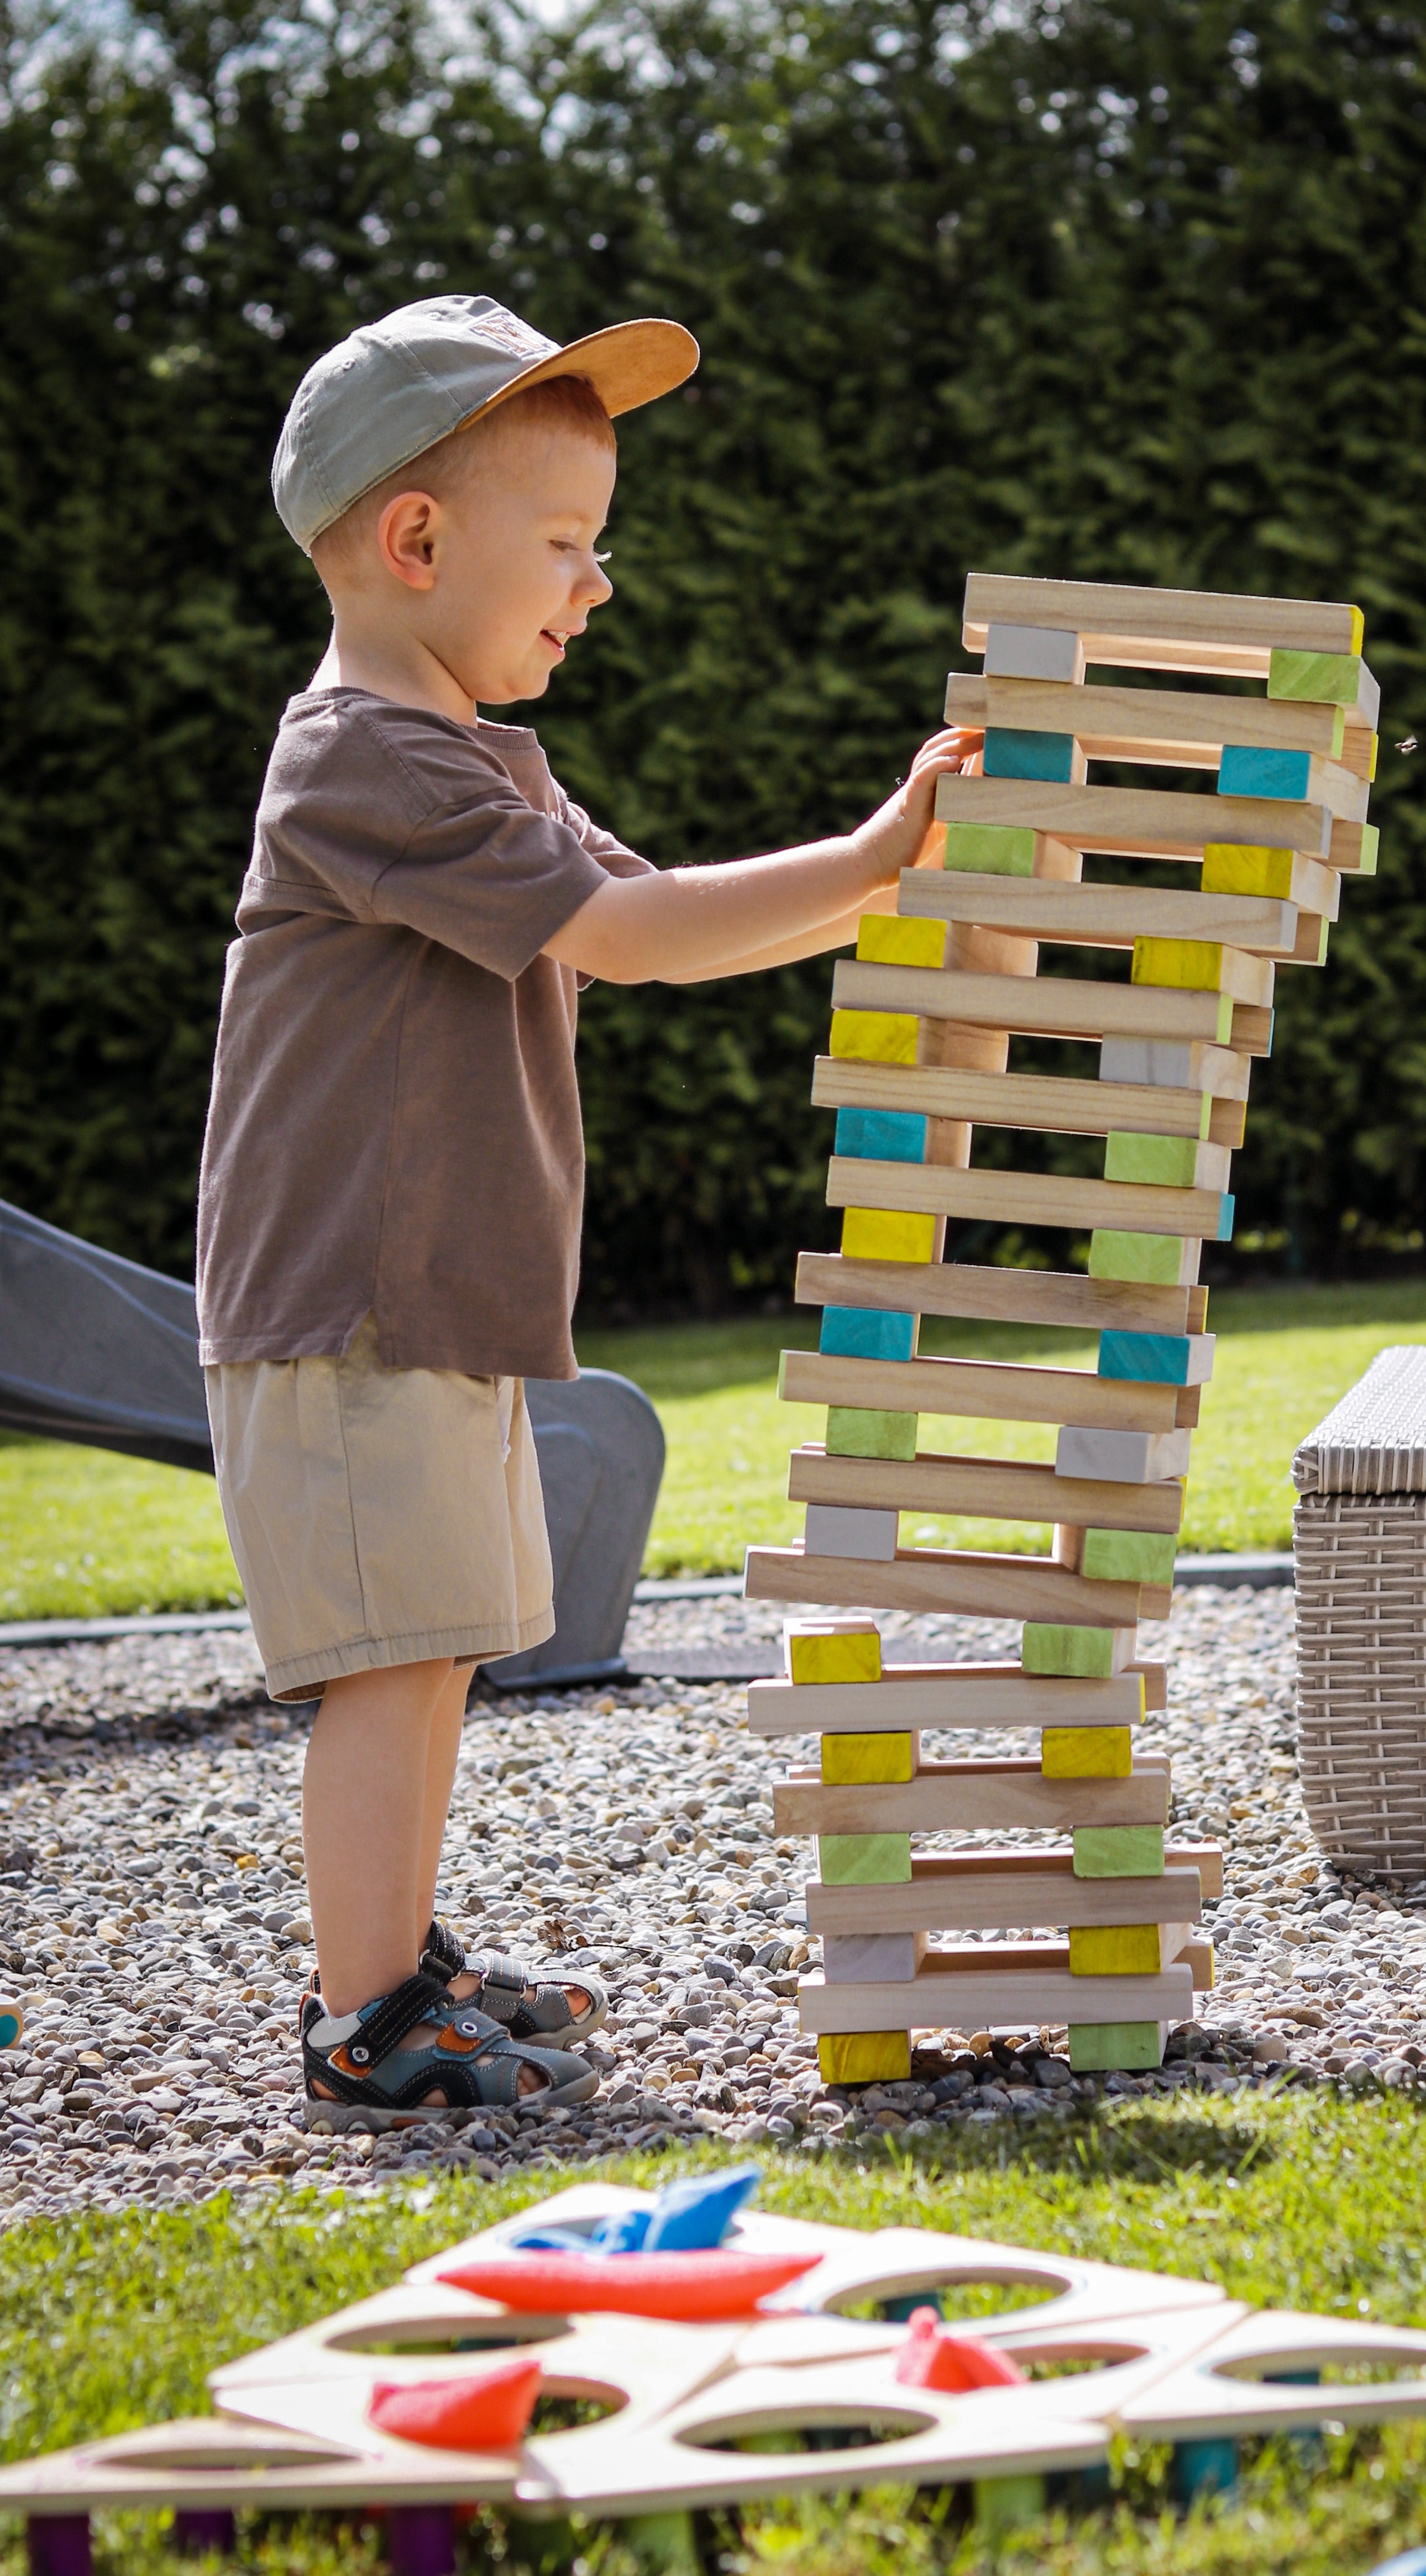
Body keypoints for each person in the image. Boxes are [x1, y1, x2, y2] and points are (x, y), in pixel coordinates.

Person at [196, 293, 973, 2129]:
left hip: (426, 1301)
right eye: (564, 544)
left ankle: (399, 1963)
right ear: (413, 540)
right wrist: (871, 858)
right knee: (393, 1657)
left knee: (437, 1636)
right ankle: (365, 2011)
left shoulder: (475, 761)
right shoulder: (359, 757)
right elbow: (628, 932)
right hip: (349, 1304)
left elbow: (661, 930)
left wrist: (879, 891)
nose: (593, 585)